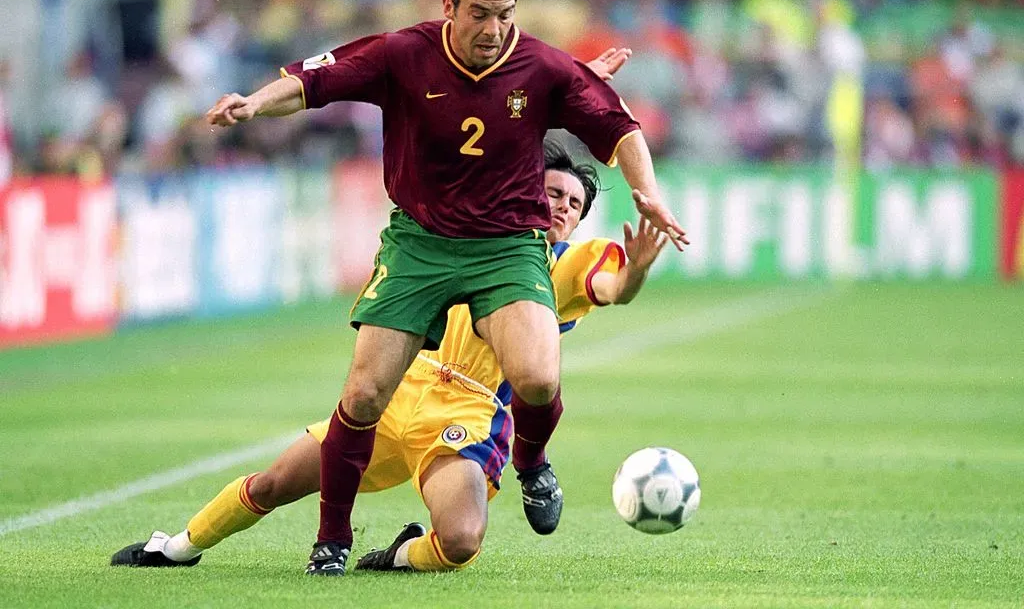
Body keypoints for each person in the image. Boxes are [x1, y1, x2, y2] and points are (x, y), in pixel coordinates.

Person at [205, 0, 686, 575]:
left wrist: (648, 194)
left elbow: (621, 130)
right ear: (448, 6)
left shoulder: (541, 65)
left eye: (505, 15)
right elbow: (313, 80)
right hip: (421, 243)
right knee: (365, 392)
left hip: (506, 245)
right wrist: (252, 103)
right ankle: (332, 542)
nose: (493, 30)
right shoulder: (403, 53)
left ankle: (533, 466)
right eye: (480, 14)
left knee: (539, 378)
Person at [111, 138, 669, 573]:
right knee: (275, 483)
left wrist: (637, 270)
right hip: (394, 394)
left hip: (463, 419)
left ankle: (401, 555)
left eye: (573, 203)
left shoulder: (567, 263)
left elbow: (612, 286)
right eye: (551, 193)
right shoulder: (464, 230)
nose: (560, 208)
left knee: (460, 541)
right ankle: (178, 547)